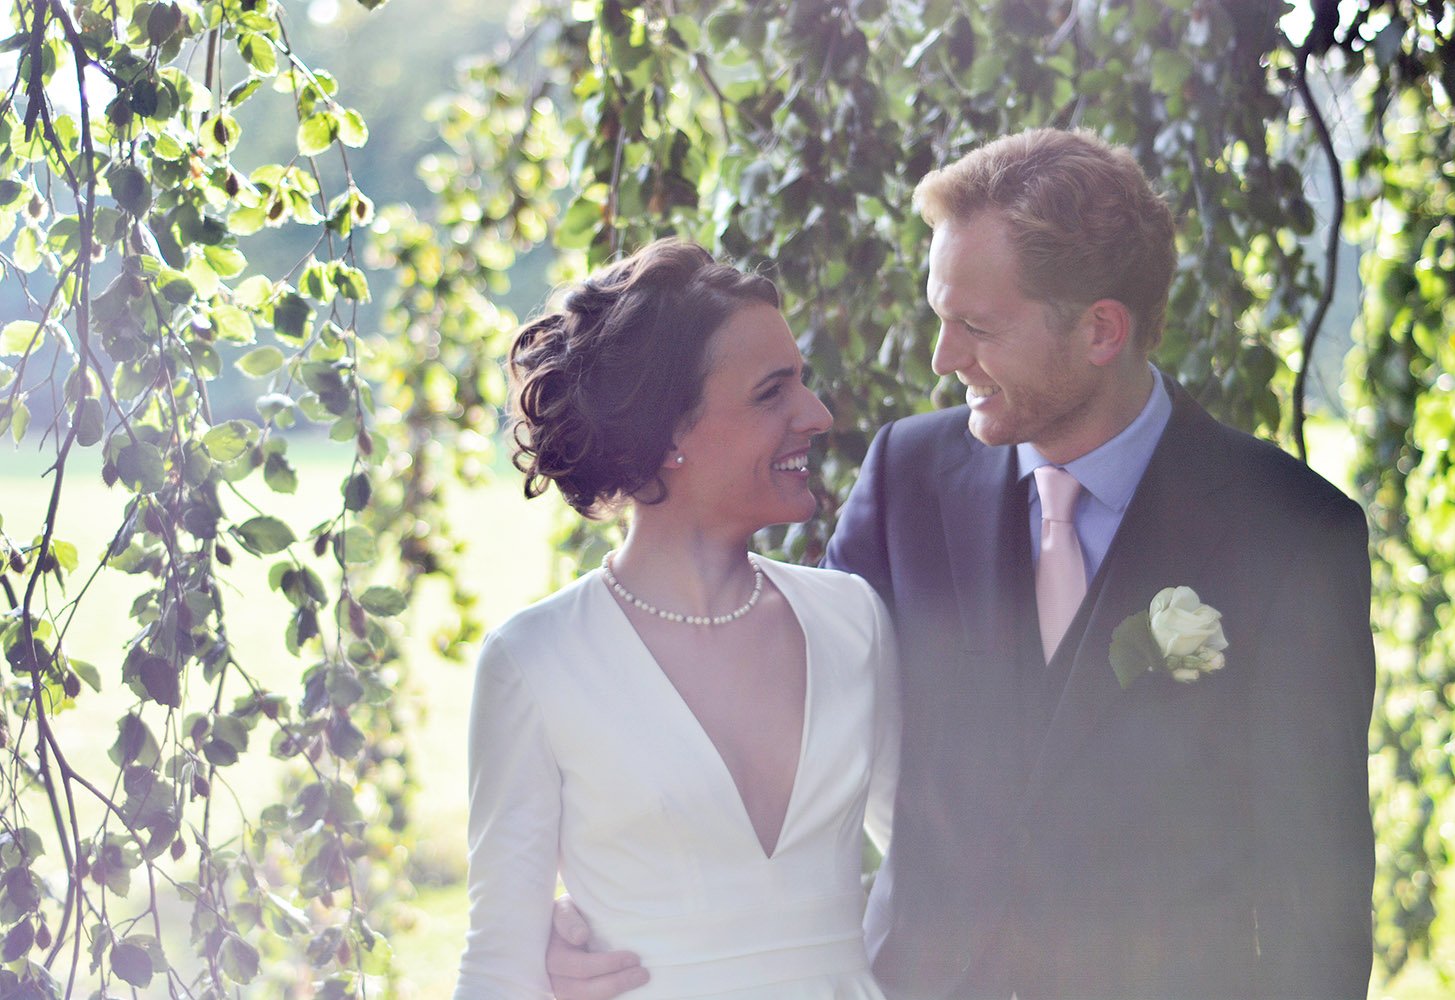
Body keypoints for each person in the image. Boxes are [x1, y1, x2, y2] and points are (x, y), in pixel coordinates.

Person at [545, 129, 1377, 1000]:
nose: (944, 359)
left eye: (976, 327)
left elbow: (1313, 895)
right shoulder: (907, 477)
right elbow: (775, 733)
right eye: (941, 317)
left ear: (1101, 330)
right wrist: (602, 918)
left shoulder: (1292, 536)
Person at [453, 238, 900, 1000]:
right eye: (772, 393)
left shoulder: (852, 621)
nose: (817, 416)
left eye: (804, 385)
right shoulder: (534, 662)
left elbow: (932, 867)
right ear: (666, 437)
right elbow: (499, 968)